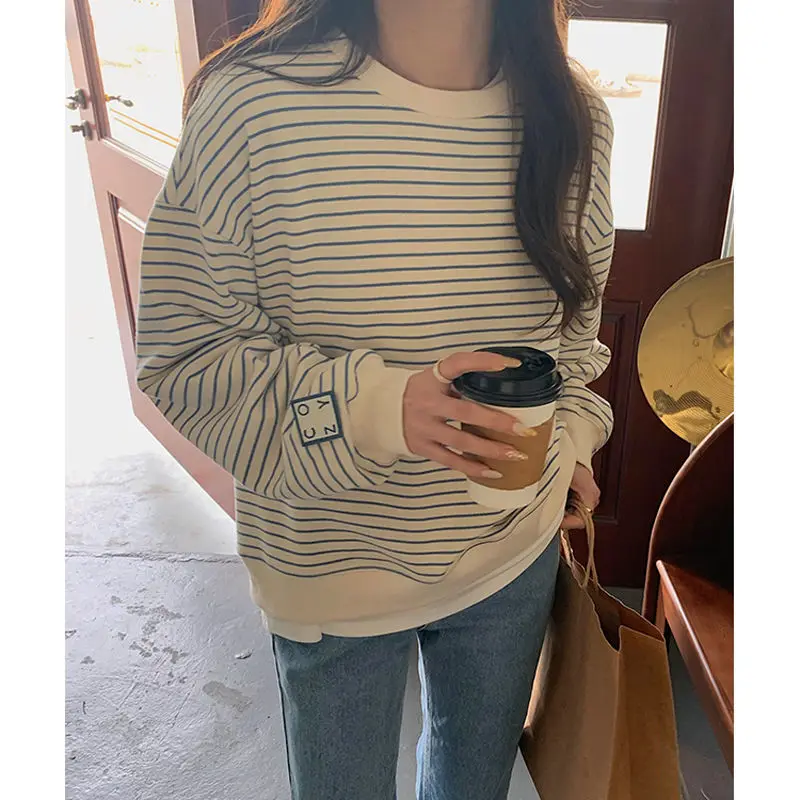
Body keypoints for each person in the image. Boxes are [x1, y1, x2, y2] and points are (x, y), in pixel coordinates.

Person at [136, 1, 615, 797]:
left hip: (512, 557)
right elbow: (186, 357)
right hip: (330, 569)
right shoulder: (250, 106)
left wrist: (569, 444)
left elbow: (576, 353)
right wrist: (381, 409)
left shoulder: (574, 113)